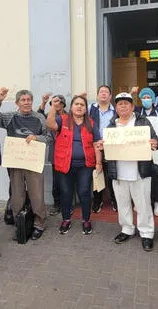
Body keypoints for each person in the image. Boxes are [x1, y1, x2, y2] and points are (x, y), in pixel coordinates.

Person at [98, 92, 158, 251]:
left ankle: (146, 233)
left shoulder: (142, 121)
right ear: (115, 107)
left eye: (126, 103)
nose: (123, 106)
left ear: (132, 106)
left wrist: (154, 143)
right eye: (119, 104)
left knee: (143, 204)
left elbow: (155, 141)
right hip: (118, 172)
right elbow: (107, 148)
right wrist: (102, 146)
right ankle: (127, 229)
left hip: (140, 171)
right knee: (122, 203)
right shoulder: (111, 126)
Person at [0, 87, 51, 240]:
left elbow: (48, 137)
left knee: (36, 193)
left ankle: (39, 222)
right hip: (15, 162)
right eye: (23, 100)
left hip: (33, 162)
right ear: (17, 102)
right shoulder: (10, 117)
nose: (26, 102)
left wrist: (37, 138)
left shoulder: (39, 118)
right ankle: (19, 222)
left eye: (29, 100)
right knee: (17, 193)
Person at [46, 95, 102, 235]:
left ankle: (86, 220)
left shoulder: (91, 123)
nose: (79, 106)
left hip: (85, 165)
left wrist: (99, 163)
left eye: (82, 104)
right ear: (71, 107)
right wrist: (53, 106)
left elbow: (97, 144)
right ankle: (66, 220)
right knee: (66, 193)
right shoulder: (63, 120)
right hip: (65, 164)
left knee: (84, 193)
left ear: (85, 108)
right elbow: (50, 124)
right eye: (76, 104)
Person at [136, 87, 158, 216]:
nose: (146, 100)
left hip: (157, 149)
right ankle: (142, 203)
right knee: (141, 176)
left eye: (148, 97)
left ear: (153, 99)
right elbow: (122, 105)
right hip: (141, 150)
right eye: (143, 97)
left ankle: (157, 203)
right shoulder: (138, 112)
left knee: (157, 177)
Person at [89, 85, 118, 213]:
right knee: (97, 173)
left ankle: (115, 200)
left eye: (106, 92)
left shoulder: (115, 110)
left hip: (112, 146)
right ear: (97, 95)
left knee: (113, 174)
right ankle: (97, 200)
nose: (104, 94)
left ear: (110, 96)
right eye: (101, 92)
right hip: (94, 145)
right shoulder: (90, 108)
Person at [38, 93, 67, 216]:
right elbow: (38, 116)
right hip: (55, 152)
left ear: (63, 104)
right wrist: (44, 102)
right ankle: (57, 204)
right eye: (54, 102)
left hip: (67, 152)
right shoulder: (49, 116)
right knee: (56, 181)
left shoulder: (69, 116)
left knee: (67, 181)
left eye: (60, 102)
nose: (57, 104)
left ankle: (67, 204)